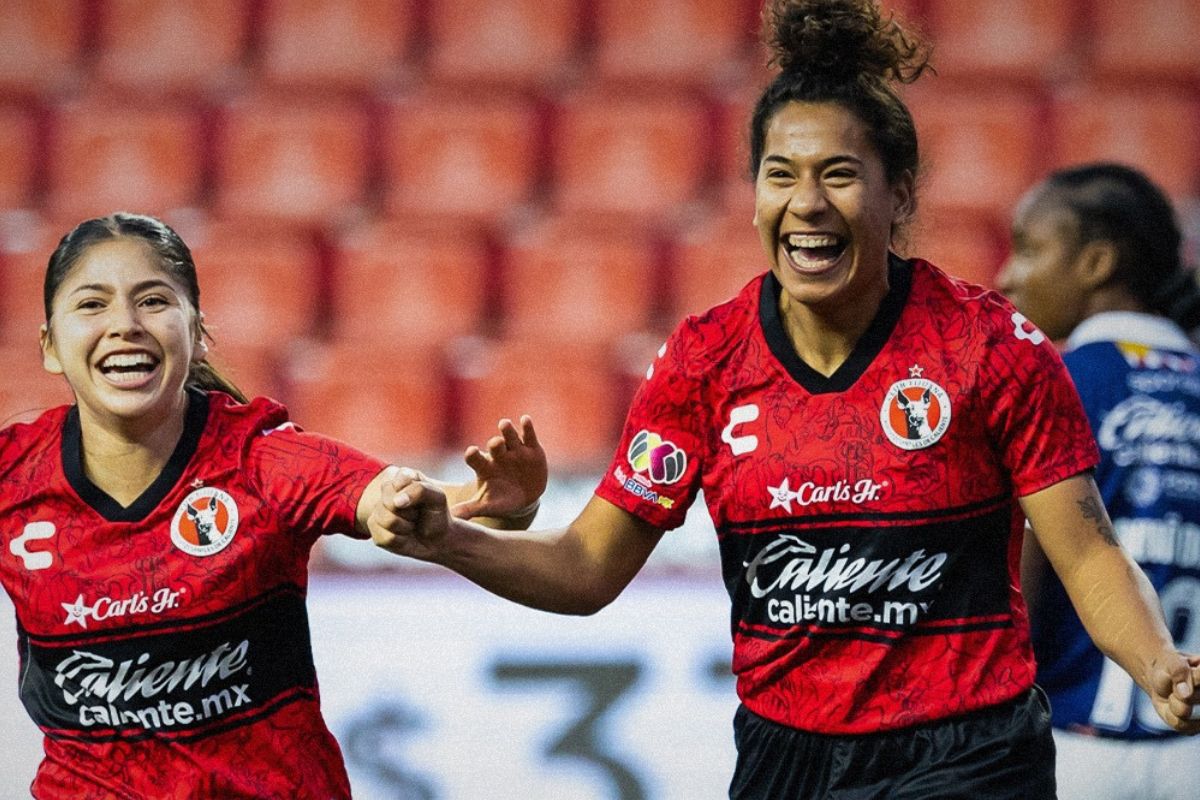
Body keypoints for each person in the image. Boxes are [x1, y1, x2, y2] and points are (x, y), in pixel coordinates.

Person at [370, 1, 1200, 797]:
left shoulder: (992, 350)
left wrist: (1156, 661)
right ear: (757, 194)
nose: (807, 203)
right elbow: (588, 568)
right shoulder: (705, 361)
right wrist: (453, 540)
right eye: (782, 176)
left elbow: (1087, 552)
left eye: (839, 175)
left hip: (969, 751)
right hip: (783, 755)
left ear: (899, 195)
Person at [0, 212, 547, 798]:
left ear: (198, 332)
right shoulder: (13, 478)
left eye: (153, 301)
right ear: (51, 346)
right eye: (91, 305)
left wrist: (499, 505)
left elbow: (420, 504)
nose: (124, 325)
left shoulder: (263, 459)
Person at [997, 163, 1200, 800]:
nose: (1007, 275)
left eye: (1029, 248)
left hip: (1074, 749)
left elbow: (1015, 589)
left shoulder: (1051, 383)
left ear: (1097, 262)